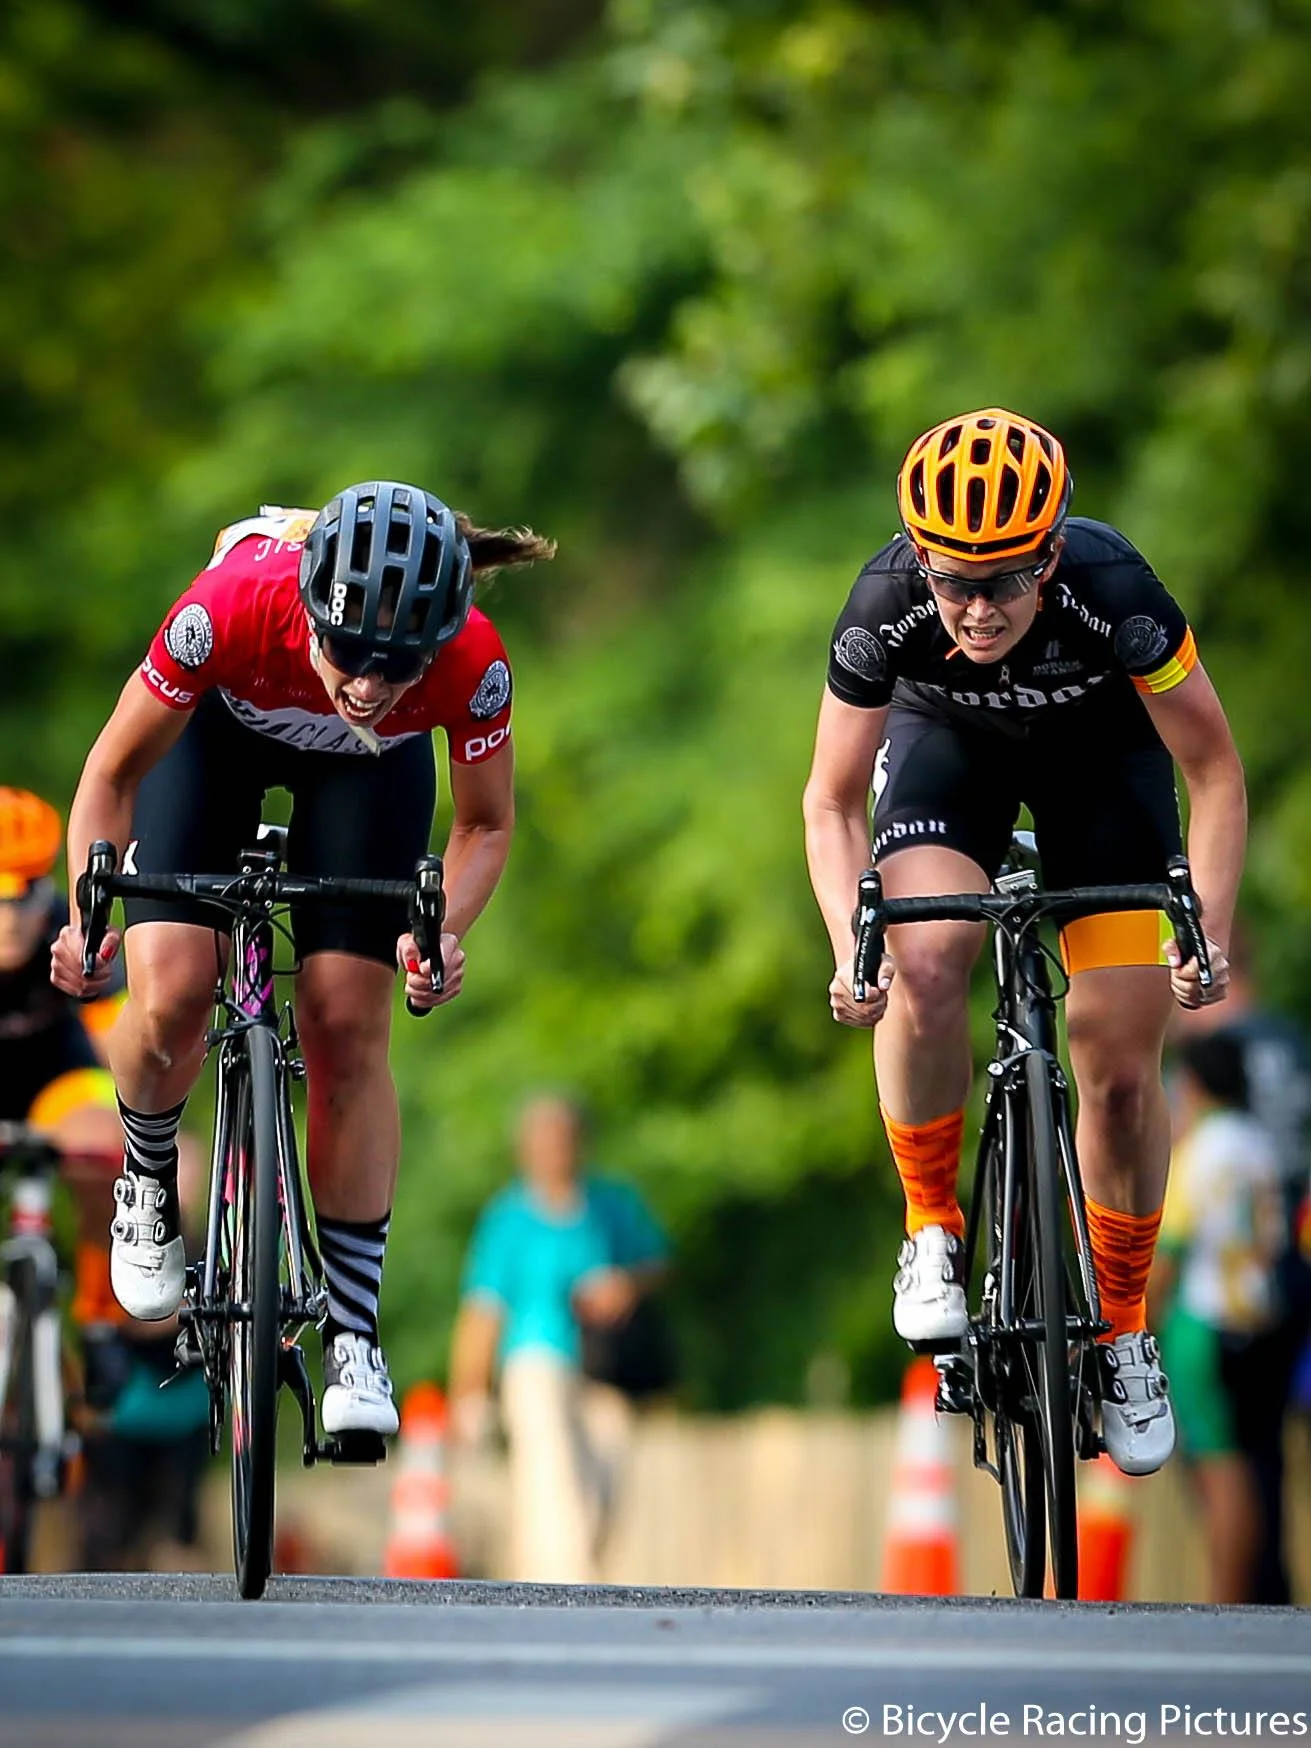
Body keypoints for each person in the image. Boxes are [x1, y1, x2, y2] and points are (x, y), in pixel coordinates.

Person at [49, 483, 554, 1438]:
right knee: (173, 996)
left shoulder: (472, 663)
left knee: (345, 1021)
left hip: (369, 772)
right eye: (349, 650)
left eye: (397, 664)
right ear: (312, 603)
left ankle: (355, 1334)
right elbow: (112, 774)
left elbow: (485, 823)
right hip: (216, 738)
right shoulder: (228, 607)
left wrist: (443, 933)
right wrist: (90, 913)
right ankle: (147, 1178)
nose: (367, 684)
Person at [802, 408, 1246, 1476]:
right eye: (953, 579)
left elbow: (1218, 774)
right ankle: (931, 1223)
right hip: (950, 756)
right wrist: (844, 940)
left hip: (1103, 765)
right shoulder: (884, 609)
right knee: (927, 956)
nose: (976, 606)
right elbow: (827, 802)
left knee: (1120, 1062)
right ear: (919, 560)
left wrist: (1210, 932)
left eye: (1003, 579)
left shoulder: (1120, 593)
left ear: (1050, 555)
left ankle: (1126, 1326)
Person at [448, 1093, 670, 1582]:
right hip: (535, 1359)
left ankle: (566, 1572)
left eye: (563, 1141)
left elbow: (657, 1263)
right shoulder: (507, 1220)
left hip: (604, 1365)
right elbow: (483, 1311)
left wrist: (625, 1285)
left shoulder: (611, 1204)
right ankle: (567, 1584)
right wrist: (468, 1391)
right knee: (553, 1471)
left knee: (608, 1480)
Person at [1172, 924, 1311, 1602]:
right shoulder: (1292, 1046)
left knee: (1223, 1455)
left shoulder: (1205, 1067)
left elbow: (1170, 1197)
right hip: (1282, 1268)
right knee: (1266, 1448)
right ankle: (1271, 1587)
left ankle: (1242, 1590)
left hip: (1210, 1296)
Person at [1151, 1032, 1285, 1602]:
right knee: (1253, 1463)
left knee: (1218, 1468)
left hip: (1202, 1322)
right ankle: (1253, 1592)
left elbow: (1172, 1247)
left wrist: (1135, 1320)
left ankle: (1227, 1601)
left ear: (1195, 1084)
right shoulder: (1259, 1145)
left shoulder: (1199, 1152)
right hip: (1258, 1315)